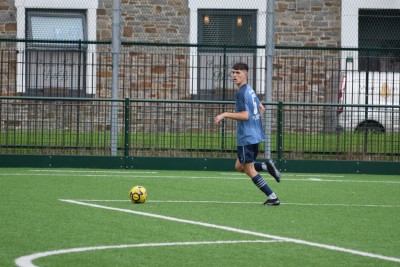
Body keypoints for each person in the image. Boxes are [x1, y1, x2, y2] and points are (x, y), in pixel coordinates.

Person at [214, 62, 281, 206]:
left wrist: (224, 114)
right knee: (239, 166)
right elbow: (261, 108)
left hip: (246, 138)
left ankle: (273, 197)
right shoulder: (250, 90)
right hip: (254, 135)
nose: (234, 75)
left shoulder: (241, 93)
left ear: (246, 74)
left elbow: (245, 116)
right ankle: (265, 166)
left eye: (238, 73)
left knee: (249, 169)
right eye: (233, 72)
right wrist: (254, 126)